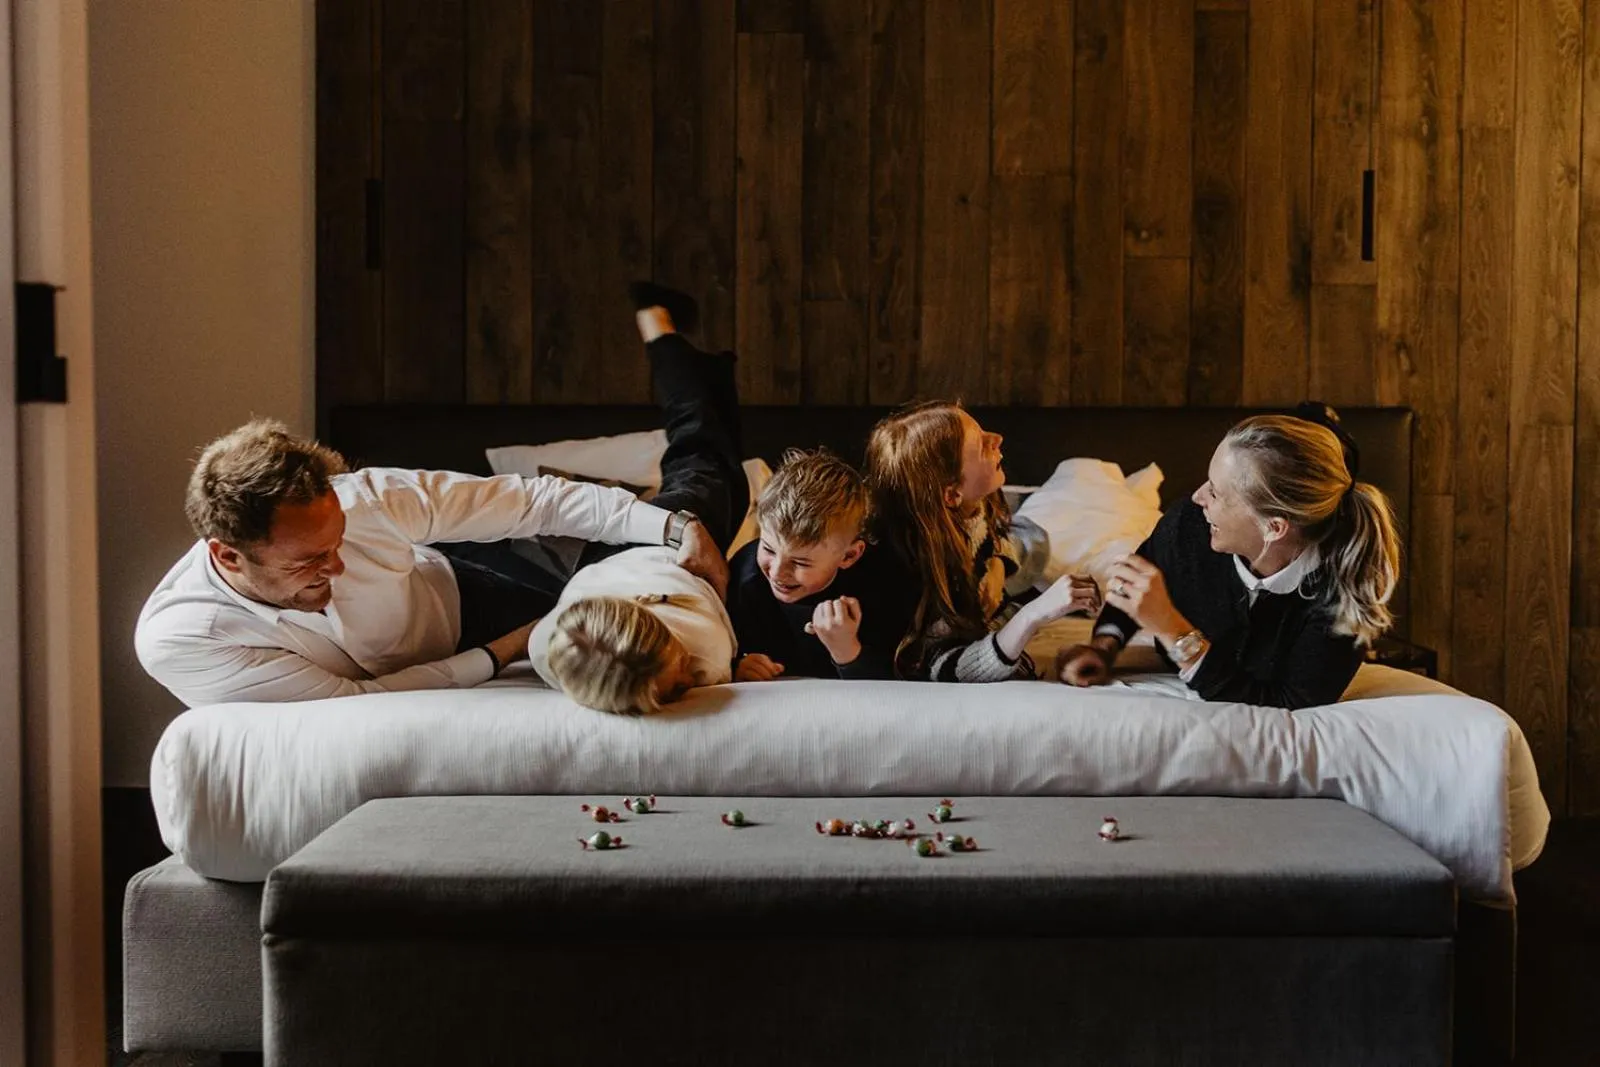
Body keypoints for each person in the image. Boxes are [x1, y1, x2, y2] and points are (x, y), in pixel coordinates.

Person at [136, 395, 727, 709]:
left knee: (656, 616)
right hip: (494, 640)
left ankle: (694, 432)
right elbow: (356, 704)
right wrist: (511, 649)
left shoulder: (366, 500)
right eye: (308, 563)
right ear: (228, 555)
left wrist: (673, 528)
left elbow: (532, 504)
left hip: (467, 594)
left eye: (337, 543)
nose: (336, 567)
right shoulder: (186, 637)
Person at [1054, 405, 1401, 709]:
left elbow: (1288, 701)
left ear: (1274, 527)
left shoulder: (1345, 591)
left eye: (1216, 493)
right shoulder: (1188, 526)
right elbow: (1138, 579)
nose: (1197, 496)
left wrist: (1173, 629)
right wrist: (1104, 646)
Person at [528, 287, 750, 714]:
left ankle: (660, 331)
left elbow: (716, 583)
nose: (690, 679)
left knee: (698, 441)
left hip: (675, 543)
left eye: (678, 670)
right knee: (723, 464)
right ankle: (711, 369)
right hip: (610, 570)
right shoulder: (705, 656)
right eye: (674, 691)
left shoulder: (703, 649)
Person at [864, 401, 1101, 682]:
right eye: (981, 445)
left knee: (1032, 543)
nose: (998, 438)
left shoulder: (975, 508)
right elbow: (947, 667)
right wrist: (1032, 615)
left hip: (995, 584)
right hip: (974, 621)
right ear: (951, 495)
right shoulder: (917, 576)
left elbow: (1029, 535)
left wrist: (999, 564)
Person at [725, 449, 916, 681]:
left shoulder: (881, 585)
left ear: (849, 556)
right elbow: (722, 646)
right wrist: (738, 666)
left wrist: (847, 652)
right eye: (767, 549)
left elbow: (899, 684)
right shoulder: (744, 577)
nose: (776, 572)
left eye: (800, 562)